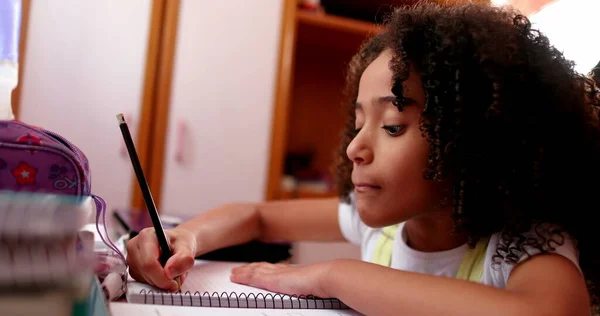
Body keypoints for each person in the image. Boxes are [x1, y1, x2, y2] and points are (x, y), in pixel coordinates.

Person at [126, 3, 600, 315]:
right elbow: (257, 217)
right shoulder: (383, 224)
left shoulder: (523, 244)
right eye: (358, 124)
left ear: (476, 140)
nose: (355, 147)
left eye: (392, 126)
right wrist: (187, 235)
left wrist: (336, 274)